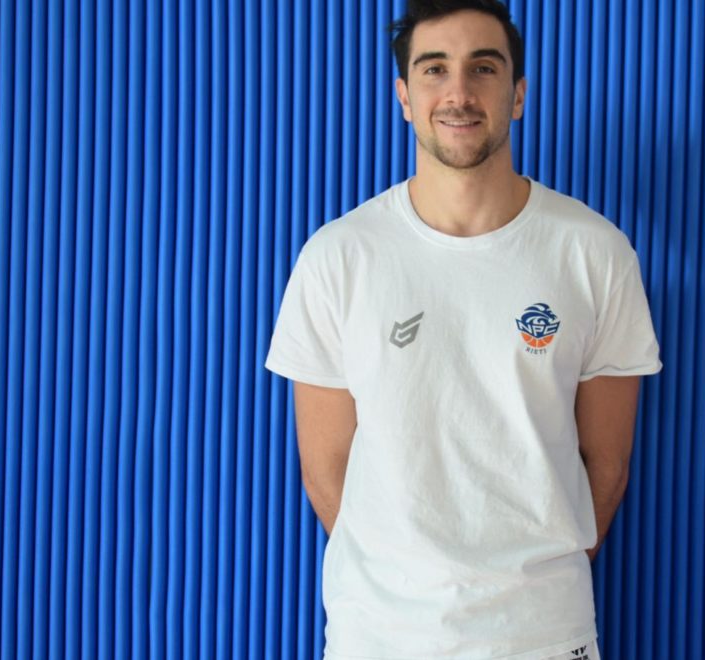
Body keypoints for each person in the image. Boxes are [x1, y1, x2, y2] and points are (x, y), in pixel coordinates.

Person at [265, 1, 661, 657]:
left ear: (518, 94)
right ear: (404, 97)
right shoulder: (338, 257)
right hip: (378, 639)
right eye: (434, 69)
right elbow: (324, 471)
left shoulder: (594, 253)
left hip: (543, 635)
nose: (458, 93)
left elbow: (608, 467)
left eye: (483, 67)